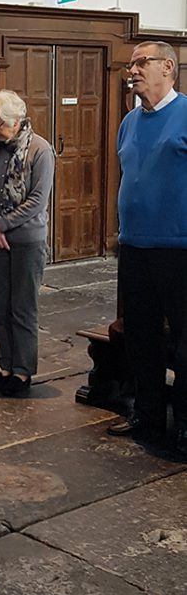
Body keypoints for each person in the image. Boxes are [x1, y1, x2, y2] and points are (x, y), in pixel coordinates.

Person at [107, 41, 187, 458]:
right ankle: (148, 416)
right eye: (131, 63)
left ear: (168, 67)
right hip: (135, 247)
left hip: (179, 250)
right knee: (141, 339)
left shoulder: (186, 114)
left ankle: (186, 426)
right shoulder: (129, 122)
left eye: (141, 62)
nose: (131, 70)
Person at [0, 90, 55, 396]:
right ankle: (6, 366)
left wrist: (1, 225)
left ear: (14, 120)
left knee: (22, 308)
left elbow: (37, 200)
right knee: (0, 309)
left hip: (26, 241)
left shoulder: (40, 150)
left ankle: (23, 372)